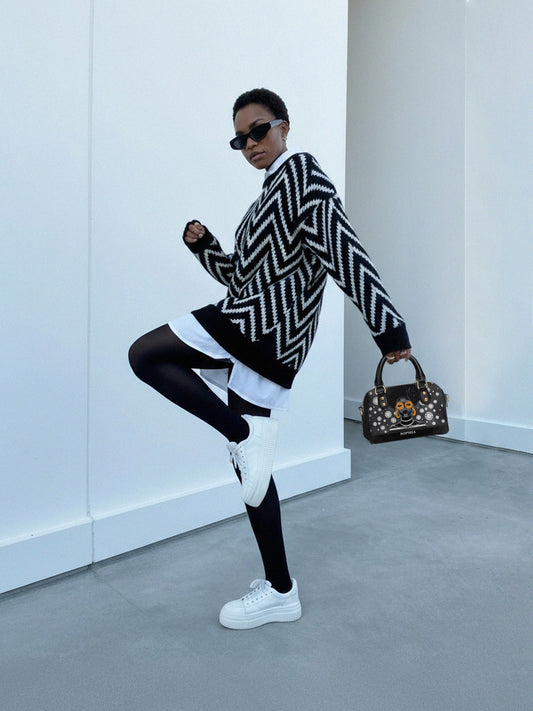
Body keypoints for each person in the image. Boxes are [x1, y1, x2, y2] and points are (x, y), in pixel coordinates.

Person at [129, 88, 411, 630]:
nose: (251, 144)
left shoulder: (303, 177)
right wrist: (206, 248)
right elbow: (243, 277)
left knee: (145, 355)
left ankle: (241, 433)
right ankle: (281, 589)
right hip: (258, 332)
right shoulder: (267, 195)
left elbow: (344, 250)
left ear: (284, 125)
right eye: (240, 140)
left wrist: (387, 326)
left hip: (257, 330)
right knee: (252, 473)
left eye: (258, 130)